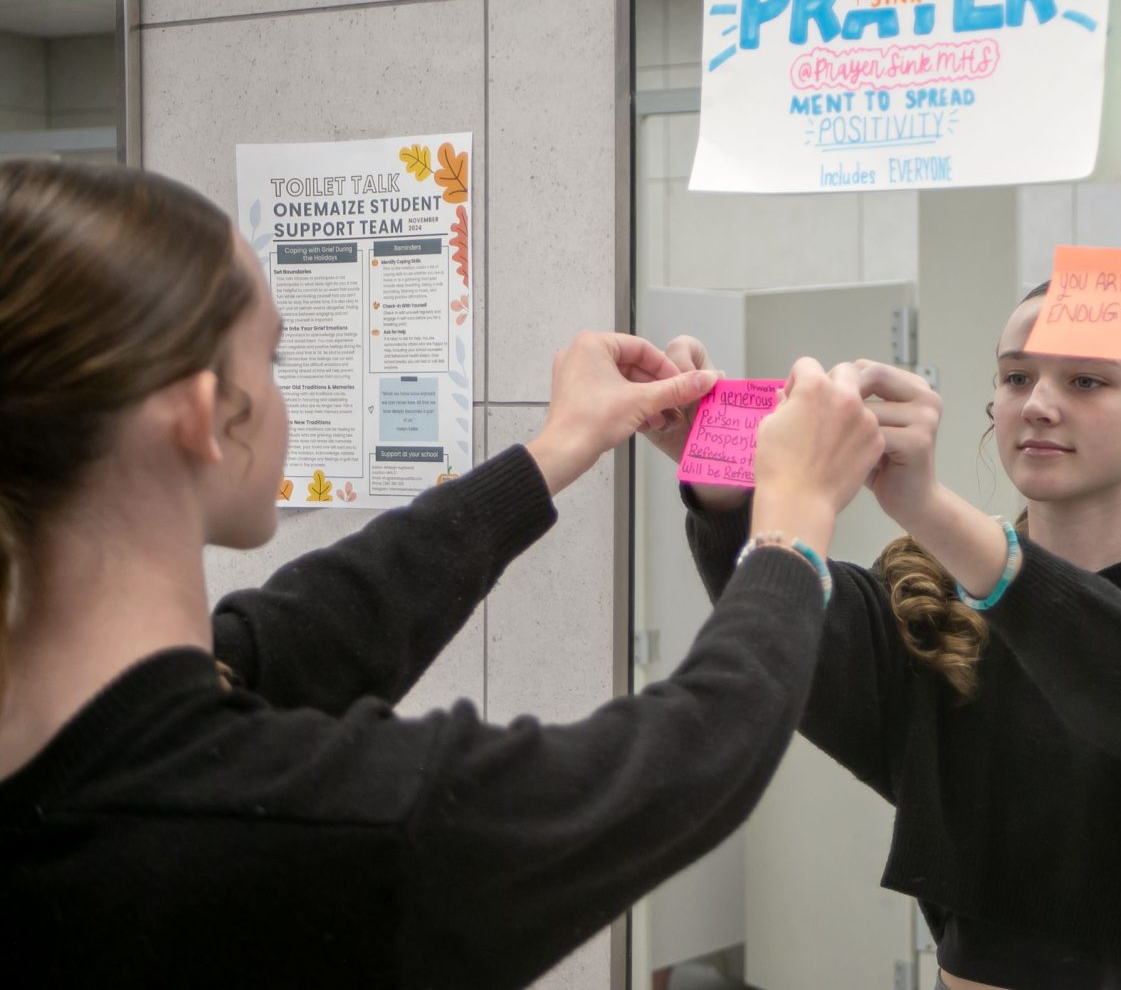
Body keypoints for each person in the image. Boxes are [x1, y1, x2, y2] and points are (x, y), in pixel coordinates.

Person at [0, 159, 885, 989]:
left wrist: (554, 449)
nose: (281, 392)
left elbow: (327, 623)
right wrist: (793, 518)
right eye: (270, 360)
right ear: (206, 416)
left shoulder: (71, 737)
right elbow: (690, 757)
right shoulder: (310, 829)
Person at [646, 283, 1121, 990]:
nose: (1039, 404)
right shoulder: (927, 599)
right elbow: (785, 624)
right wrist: (720, 467)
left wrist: (927, 506)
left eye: (1087, 379)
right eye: (1017, 376)